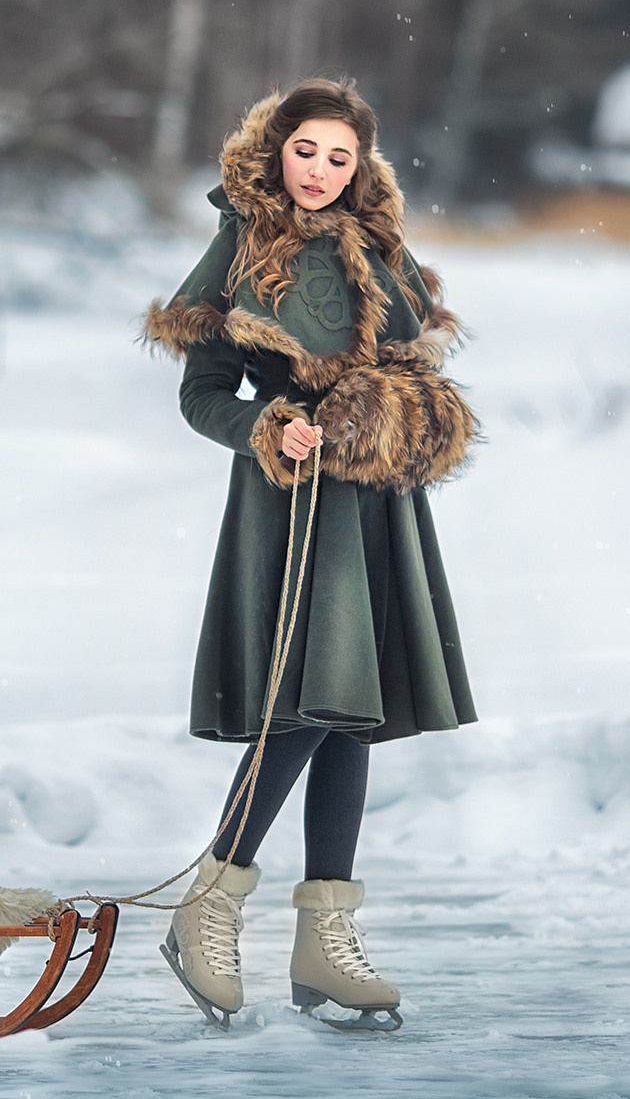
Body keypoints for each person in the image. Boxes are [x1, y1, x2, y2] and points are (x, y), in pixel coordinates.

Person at [140, 77, 479, 1029]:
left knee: (349, 712)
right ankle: (214, 897)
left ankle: (322, 936)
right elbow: (203, 392)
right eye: (307, 151)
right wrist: (267, 426)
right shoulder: (244, 243)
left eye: (342, 157)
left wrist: (406, 415)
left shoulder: (382, 249)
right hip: (293, 504)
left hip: (376, 503)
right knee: (310, 698)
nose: (323, 171)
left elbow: (416, 361)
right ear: (275, 149)